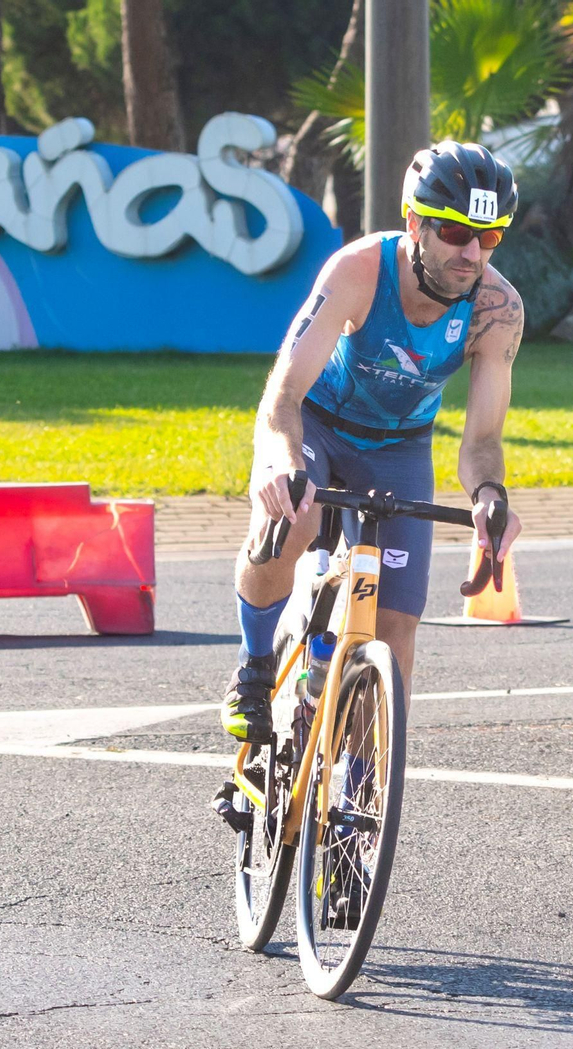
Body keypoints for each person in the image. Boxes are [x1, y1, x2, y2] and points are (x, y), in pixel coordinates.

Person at [220, 141, 526, 745]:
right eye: (454, 230)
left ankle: (363, 784)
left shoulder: (499, 309)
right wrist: (280, 462)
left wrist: (490, 495)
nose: (471, 253)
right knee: (293, 520)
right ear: (415, 222)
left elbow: (483, 440)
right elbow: (282, 397)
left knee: (395, 630)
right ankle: (254, 669)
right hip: (317, 426)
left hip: (401, 449)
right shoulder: (359, 271)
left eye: (488, 238)